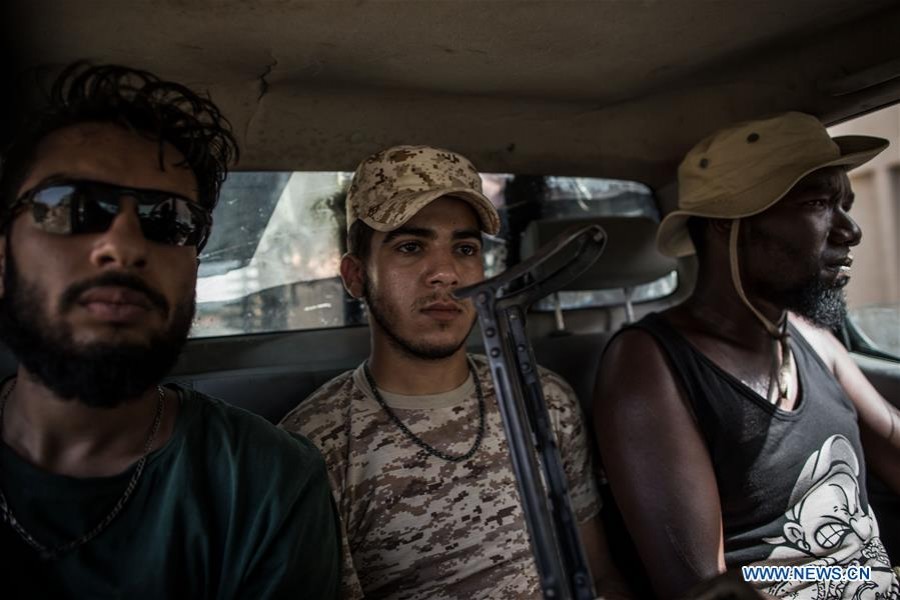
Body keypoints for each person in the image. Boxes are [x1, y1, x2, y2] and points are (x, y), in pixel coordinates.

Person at [0, 63, 341, 598]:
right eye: (71, 206)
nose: (125, 245)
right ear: (3, 256)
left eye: (170, 221)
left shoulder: (267, 483)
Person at [280, 145, 623, 599]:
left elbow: (601, 577)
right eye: (410, 246)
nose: (445, 273)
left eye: (464, 248)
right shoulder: (315, 449)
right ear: (356, 276)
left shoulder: (543, 398)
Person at [594, 112, 900, 598]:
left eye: (845, 204)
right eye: (819, 203)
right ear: (726, 223)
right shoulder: (649, 365)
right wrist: (849, 573)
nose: (850, 230)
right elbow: (704, 590)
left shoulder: (810, 336)